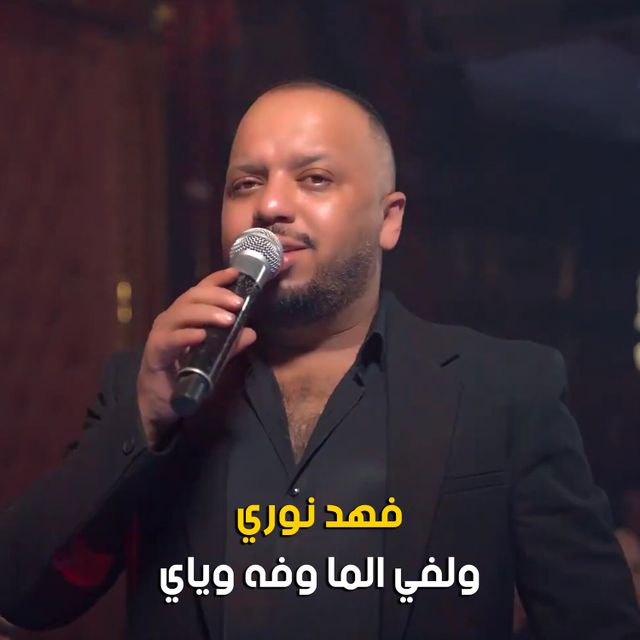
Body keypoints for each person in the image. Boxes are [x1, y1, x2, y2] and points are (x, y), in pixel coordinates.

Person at [1, 80, 639, 640]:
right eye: (246, 183)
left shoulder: (503, 391)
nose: (270, 206)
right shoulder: (149, 389)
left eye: (314, 179)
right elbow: (23, 596)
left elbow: (597, 624)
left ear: (389, 219)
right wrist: (143, 420)